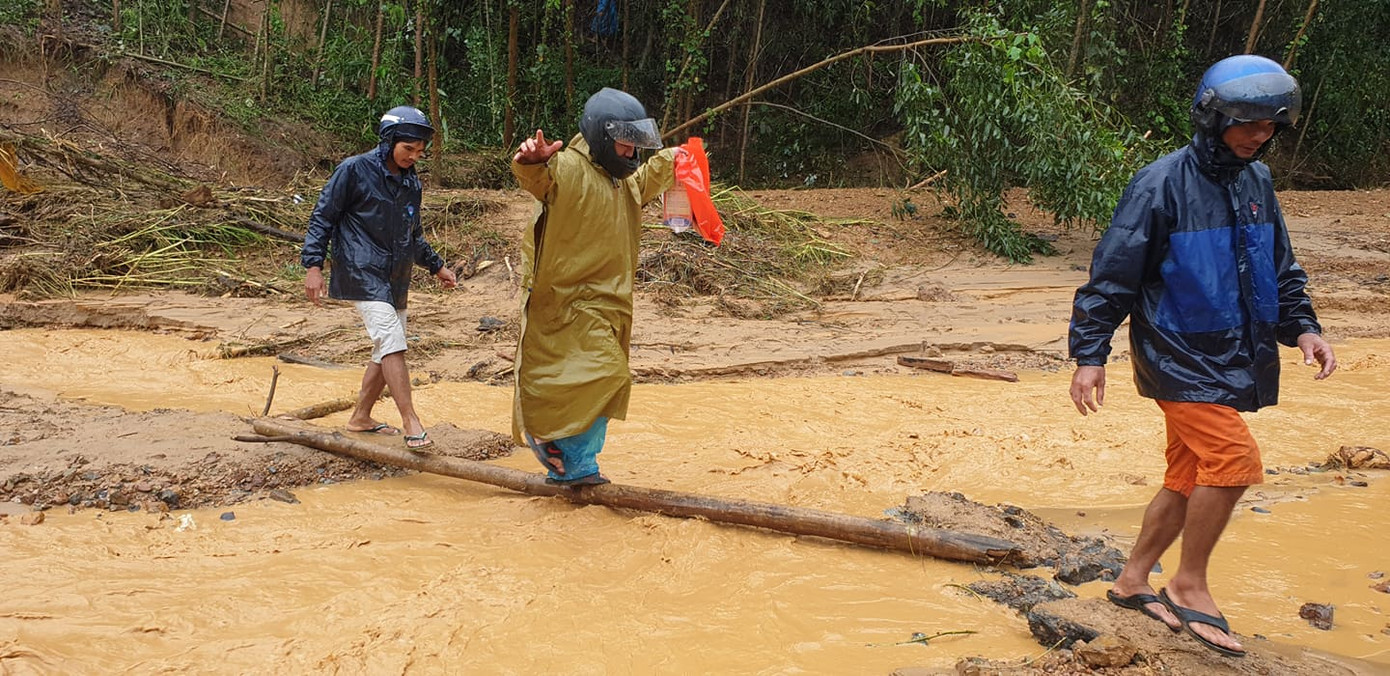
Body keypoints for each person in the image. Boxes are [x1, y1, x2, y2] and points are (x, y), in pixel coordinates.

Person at [1068, 55, 1336, 659]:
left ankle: (1132, 580)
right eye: (1245, 124)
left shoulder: (1256, 182)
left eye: (1269, 126)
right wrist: (1091, 354)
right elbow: (1112, 277)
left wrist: (1304, 330)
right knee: (1235, 462)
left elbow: (1280, 267)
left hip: (1234, 354)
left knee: (1186, 477)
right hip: (1176, 352)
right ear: (1212, 117)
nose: (1256, 135)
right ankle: (1188, 580)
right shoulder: (1159, 184)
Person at [509, 87, 680, 486]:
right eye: (626, 144)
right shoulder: (567, 167)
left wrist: (678, 159)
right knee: (606, 376)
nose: (633, 153)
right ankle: (553, 444)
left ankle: (577, 464)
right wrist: (530, 162)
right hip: (566, 301)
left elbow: (645, 180)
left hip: (608, 303)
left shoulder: (620, 180)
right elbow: (538, 177)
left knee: (599, 386)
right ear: (603, 136)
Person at [302, 105, 457, 450]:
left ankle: (360, 416)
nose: (414, 157)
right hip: (360, 268)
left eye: (420, 152)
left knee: (385, 347)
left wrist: (436, 266)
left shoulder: (411, 182)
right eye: (408, 149)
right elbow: (322, 217)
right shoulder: (354, 170)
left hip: (396, 275)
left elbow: (412, 234)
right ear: (389, 142)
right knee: (391, 339)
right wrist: (314, 266)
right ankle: (411, 421)